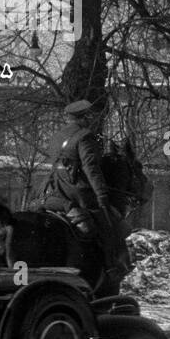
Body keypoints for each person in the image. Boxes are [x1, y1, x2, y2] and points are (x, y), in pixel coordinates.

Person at [41, 99, 123, 272]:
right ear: (84, 117)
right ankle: (111, 267)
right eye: (90, 116)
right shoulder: (85, 136)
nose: (92, 119)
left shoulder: (58, 135)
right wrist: (101, 194)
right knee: (107, 223)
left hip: (55, 190)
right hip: (77, 192)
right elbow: (91, 168)